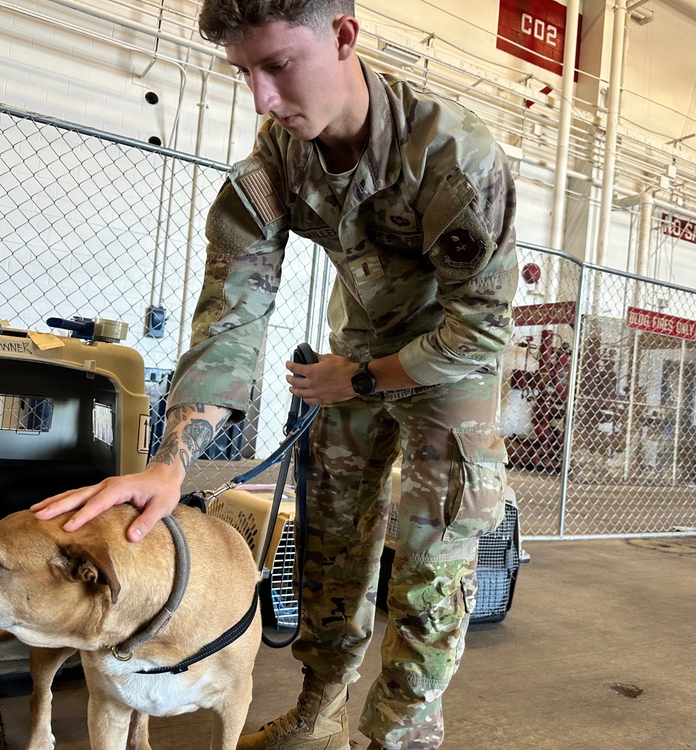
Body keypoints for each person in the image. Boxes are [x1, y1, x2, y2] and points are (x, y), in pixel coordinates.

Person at [33, 1, 518, 748]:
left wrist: (358, 380)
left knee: (430, 566)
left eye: (279, 66)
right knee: (329, 547)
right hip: (353, 356)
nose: (261, 98)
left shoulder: (455, 157)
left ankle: (399, 738)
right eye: (244, 72)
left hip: (449, 370)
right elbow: (232, 316)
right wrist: (170, 465)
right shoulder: (276, 162)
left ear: (344, 37)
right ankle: (318, 714)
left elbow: (481, 330)